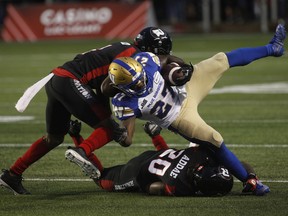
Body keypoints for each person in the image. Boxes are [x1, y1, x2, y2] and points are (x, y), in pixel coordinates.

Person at [97, 24, 285, 196]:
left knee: (220, 60)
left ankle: (272, 48)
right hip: (178, 116)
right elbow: (128, 139)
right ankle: (251, 182)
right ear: (122, 88)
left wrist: (181, 69)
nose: (141, 83)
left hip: (186, 89)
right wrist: (120, 135)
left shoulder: (146, 60)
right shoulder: (124, 103)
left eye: (141, 78)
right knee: (214, 139)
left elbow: (167, 59)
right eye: (135, 85)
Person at [0, 27, 180, 195]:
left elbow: (102, 88)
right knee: (111, 129)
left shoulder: (127, 50)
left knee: (53, 138)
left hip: (58, 80)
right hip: (72, 81)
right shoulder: (133, 56)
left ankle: (12, 174)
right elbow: (104, 87)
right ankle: (82, 151)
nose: (162, 57)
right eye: (162, 52)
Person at [70, 120, 235, 196]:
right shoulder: (180, 187)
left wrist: (249, 176)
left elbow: (242, 165)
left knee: (171, 159)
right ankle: (76, 137)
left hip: (154, 155)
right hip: (135, 173)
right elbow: (153, 187)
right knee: (102, 180)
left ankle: (155, 134)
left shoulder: (200, 155)